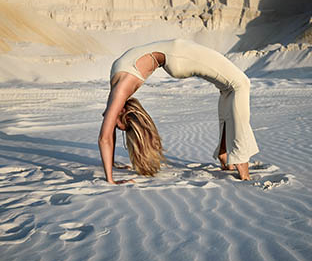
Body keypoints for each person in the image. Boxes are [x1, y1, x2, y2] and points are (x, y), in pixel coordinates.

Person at [98, 39, 259, 184]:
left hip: (179, 55)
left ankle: (231, 155)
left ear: (122, 111)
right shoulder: (119, 90)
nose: (115, 126)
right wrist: (110, 173)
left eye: (119, 126)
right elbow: (107, 135)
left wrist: (110, 174)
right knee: (238, 85)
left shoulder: (119, 91)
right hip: (178, 54)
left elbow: (105, 137)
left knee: (234, 87)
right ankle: (235, 158)